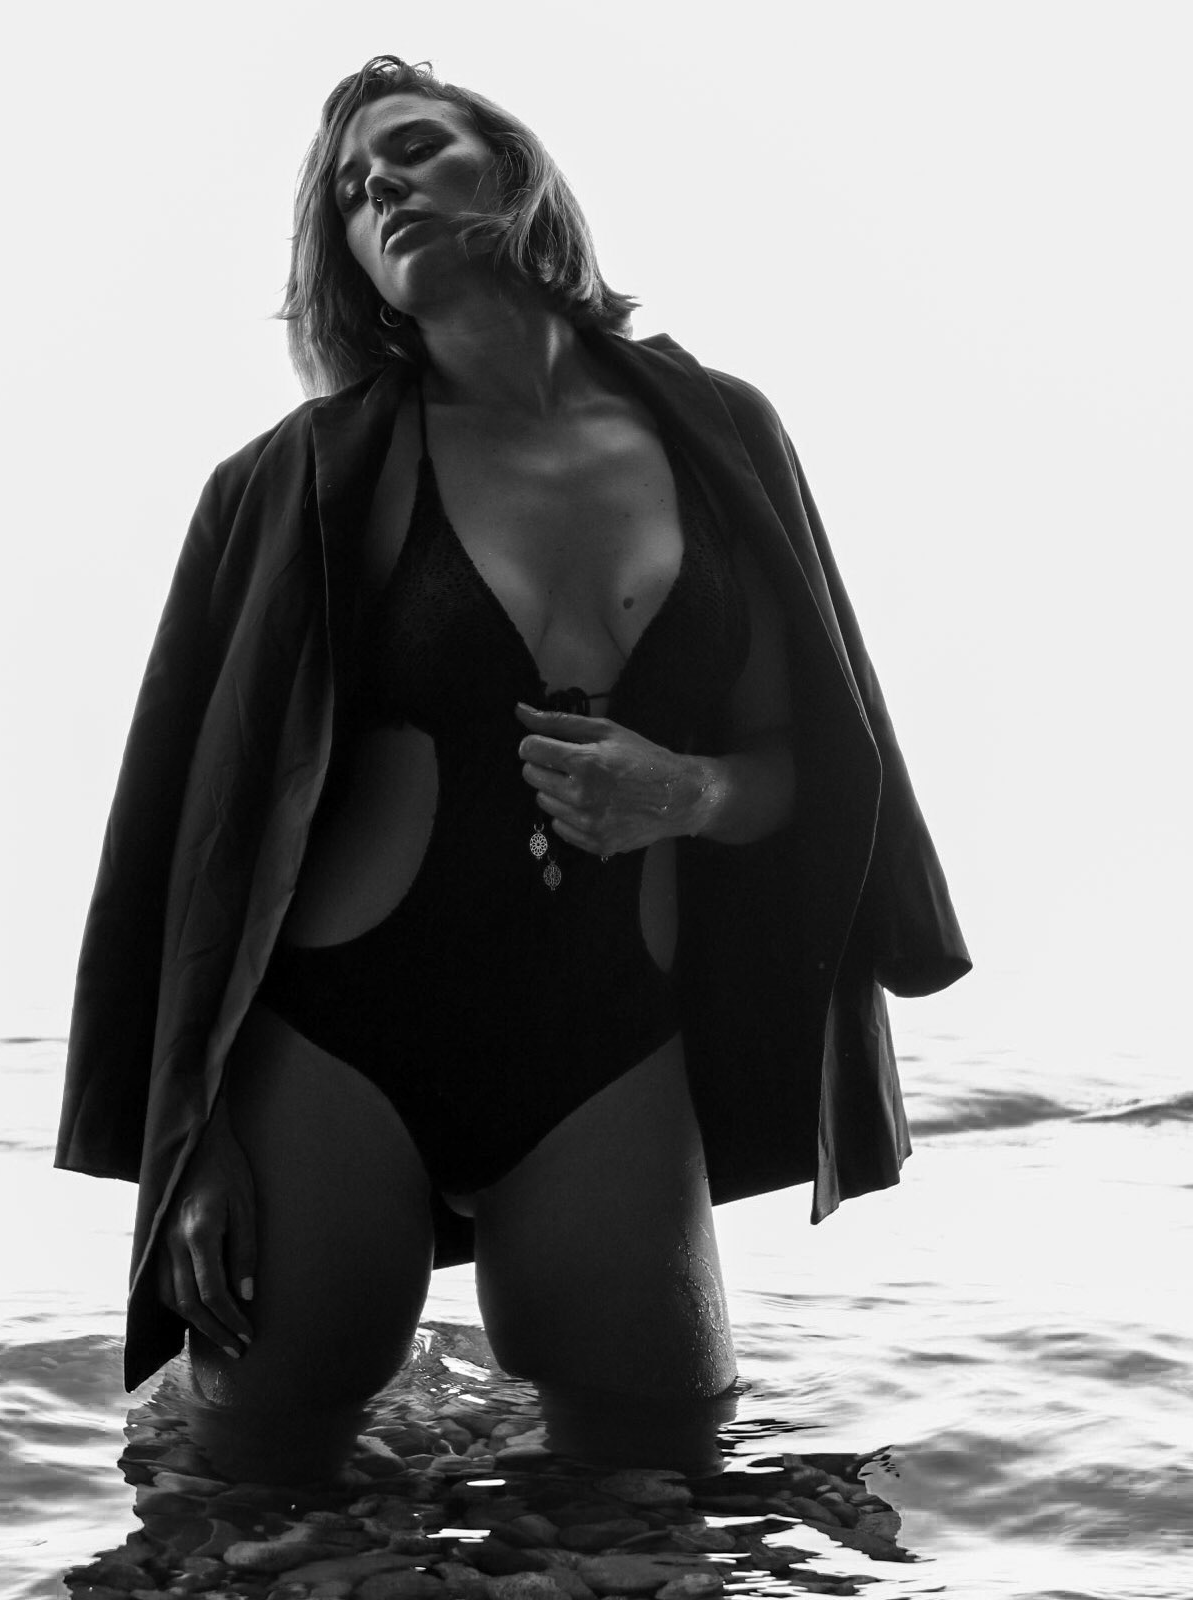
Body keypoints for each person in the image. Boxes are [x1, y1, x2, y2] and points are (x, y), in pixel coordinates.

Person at [54, 56, 970, 1483]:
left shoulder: (722, 436)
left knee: (663, 1482)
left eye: (416, 148)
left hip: (608, 1051)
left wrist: (686, 792)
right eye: (351, 193)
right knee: (239, 1502)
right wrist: (192, 1145)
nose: (383, 187)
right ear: (351, 263)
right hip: (334, 1048)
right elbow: (195, 837)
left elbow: (818, 767)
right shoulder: (302, 480)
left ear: (516, 171)